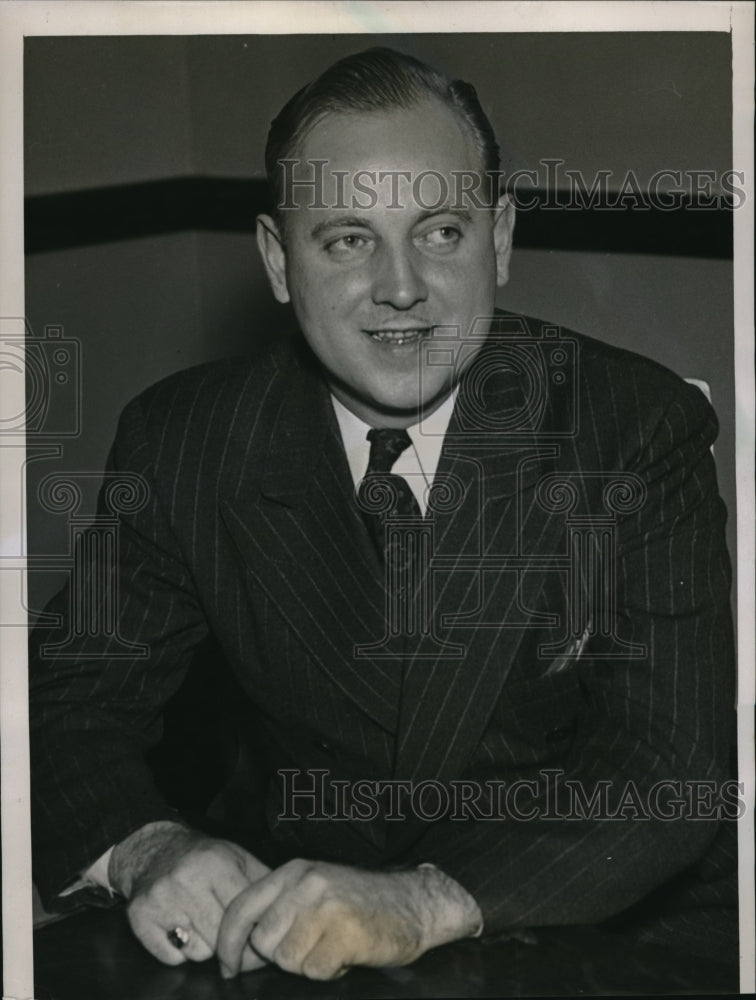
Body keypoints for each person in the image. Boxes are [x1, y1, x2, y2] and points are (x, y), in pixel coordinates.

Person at [29, 47, 738, 983]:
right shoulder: (186, 439)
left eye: (441, 232)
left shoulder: (631, 429)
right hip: (304, 933)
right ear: (280, 262)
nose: (401, 286)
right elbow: (67, 703)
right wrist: (148, 846)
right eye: (348, 239)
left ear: (503, 238)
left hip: (588, 934)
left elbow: (665, 767)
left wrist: (423, 901)